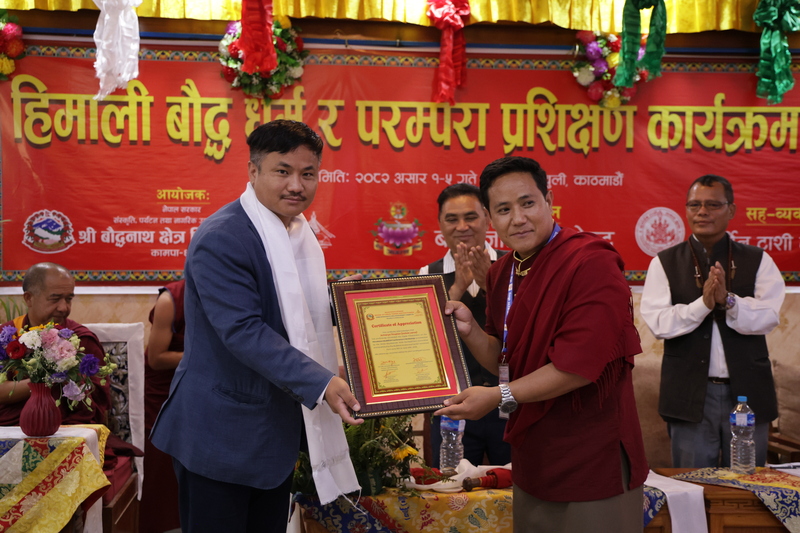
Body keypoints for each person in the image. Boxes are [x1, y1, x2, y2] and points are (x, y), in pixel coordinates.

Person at [151, 120, 363, 533]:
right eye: (282, 171)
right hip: (221, 438)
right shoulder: (224, 236)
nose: (296, 185)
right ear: (253, 172)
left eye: (308, 173)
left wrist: (369, 307)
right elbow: (244, 330)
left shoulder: (298, 235)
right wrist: (322, 382)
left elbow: (300, 311)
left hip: (272, 438)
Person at [434, 156, 647, 533]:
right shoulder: (504, 272)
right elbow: (503, 357)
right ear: (490, 217)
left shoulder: (590, 262)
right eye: (503, 209)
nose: (517, 218)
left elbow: (577, 366)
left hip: (590, 454)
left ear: (549, 199)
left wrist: (496, 397)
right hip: (532, 456)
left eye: (527, 203)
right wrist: (469, 331)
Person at [640, 174, 785, 468]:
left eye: (712, 205)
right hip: (690, 396)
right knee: (693, 489)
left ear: (731, 210)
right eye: (694, 205)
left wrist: (728, 301)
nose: (702, 212)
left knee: (747, 490)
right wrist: (702, 305)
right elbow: (658, 323)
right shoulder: (664, 262)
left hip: (747, 395)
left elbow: (768, 317)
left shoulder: (758, 259)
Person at [418, 183, 510, 468]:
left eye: (470, 217)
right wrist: (456, 288)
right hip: (452, 405)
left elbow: (523, 328)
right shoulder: (428, 274)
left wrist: (488, 285)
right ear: (440, 225)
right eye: (452, 219)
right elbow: (423, 341)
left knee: (516, 489)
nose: (462, 226)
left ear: (487, 218)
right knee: (449, 490)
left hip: (509, 402)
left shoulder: (513, 264)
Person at [0, 262, 111, 426]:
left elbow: (97, 402)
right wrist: (52, 379)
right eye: (55, 299)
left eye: (69, 299)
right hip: (12, 428)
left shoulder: (80, 339)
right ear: (28, 298)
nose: (64, 308)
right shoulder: (7, 335)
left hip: (68, 430)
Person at [141, 279, 185, 533]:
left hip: (206, 391)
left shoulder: (228, 292)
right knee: (164, 471)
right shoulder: (171, 300)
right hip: (165, 394)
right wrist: (206, 354)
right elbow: (156, 359)